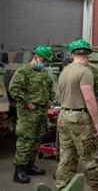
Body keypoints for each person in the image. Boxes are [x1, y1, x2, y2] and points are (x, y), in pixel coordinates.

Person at [55, 39, 98, 191]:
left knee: (67, 154)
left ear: (72, 54)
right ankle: (97, 188)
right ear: (88, 54)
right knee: (89, 156)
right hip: (79, 119)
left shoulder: (65, 71)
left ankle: (61, 186)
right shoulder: (85, 71)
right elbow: (89, 97)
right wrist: (97, 122)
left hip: (63, 115)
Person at [9, 45, 54, 184]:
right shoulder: (24, 72)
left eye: (47, 62)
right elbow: (14, 88)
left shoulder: (44, 73)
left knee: (36, 139)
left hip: (41, 112)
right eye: (44, 60)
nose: (45, 63)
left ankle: (29, 165)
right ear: (35, 57)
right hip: (28, 112)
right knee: (25, 141)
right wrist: (27, 102)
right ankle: (19, 170)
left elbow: (51, 87)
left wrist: (49, 99)